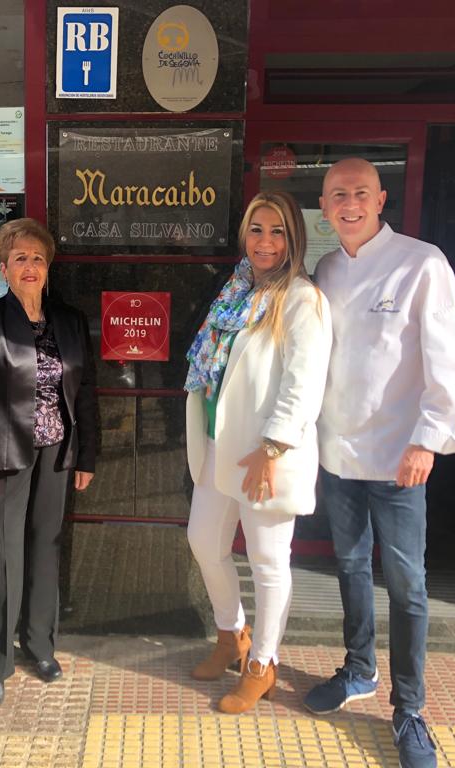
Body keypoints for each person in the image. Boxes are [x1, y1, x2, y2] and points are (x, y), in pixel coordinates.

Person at [303, 158, 455, 768]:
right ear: (324, 206)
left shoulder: (423, 263)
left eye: (360, 193)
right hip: (340, 452)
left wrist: (428, 439)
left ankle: (411, 709)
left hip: (401, 459)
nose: (349, 203)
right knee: (348, 566)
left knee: (407, 585)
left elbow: (449, 362)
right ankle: (358, 669)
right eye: (338, 194)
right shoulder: (325, 269)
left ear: (381, 199)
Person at [184, 191, 332, 714]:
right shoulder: (236, 289)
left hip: (265, 452)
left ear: (293, 238)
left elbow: (304, 380)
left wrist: (273, 447)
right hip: (219, 446)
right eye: (256, 230)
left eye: (276, 231)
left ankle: (262, 664)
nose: (265, 241)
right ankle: (232, 635)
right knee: (204, 541)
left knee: (268, 560)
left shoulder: (302, 298)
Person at [0, 218, 99, 711]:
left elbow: (87, 391)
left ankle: (40, 645)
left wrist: (86, 453)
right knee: (1, 559)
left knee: (45, 552)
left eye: (38, 257)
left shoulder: (69, 320)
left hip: (58, 454)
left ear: (48, 265)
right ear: (3, 269)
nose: (30, 266)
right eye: (20, 258)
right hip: (4, 462)